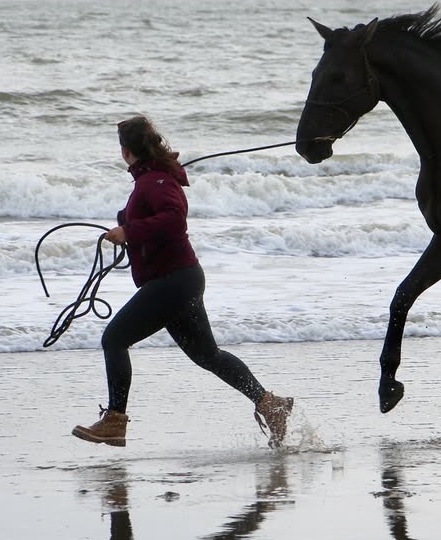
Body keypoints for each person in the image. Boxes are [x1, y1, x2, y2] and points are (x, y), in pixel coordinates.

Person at [72, 115, 294, 448]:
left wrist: (130, 230)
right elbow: (159, 216)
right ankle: (269, 404)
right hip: (181, 279)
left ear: (125, 151)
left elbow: (174, 220)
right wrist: (127, 223)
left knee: (114, 339)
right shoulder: (153, 179)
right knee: (208, 355)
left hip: (174, 281)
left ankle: (115, 421)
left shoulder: (155, 181)